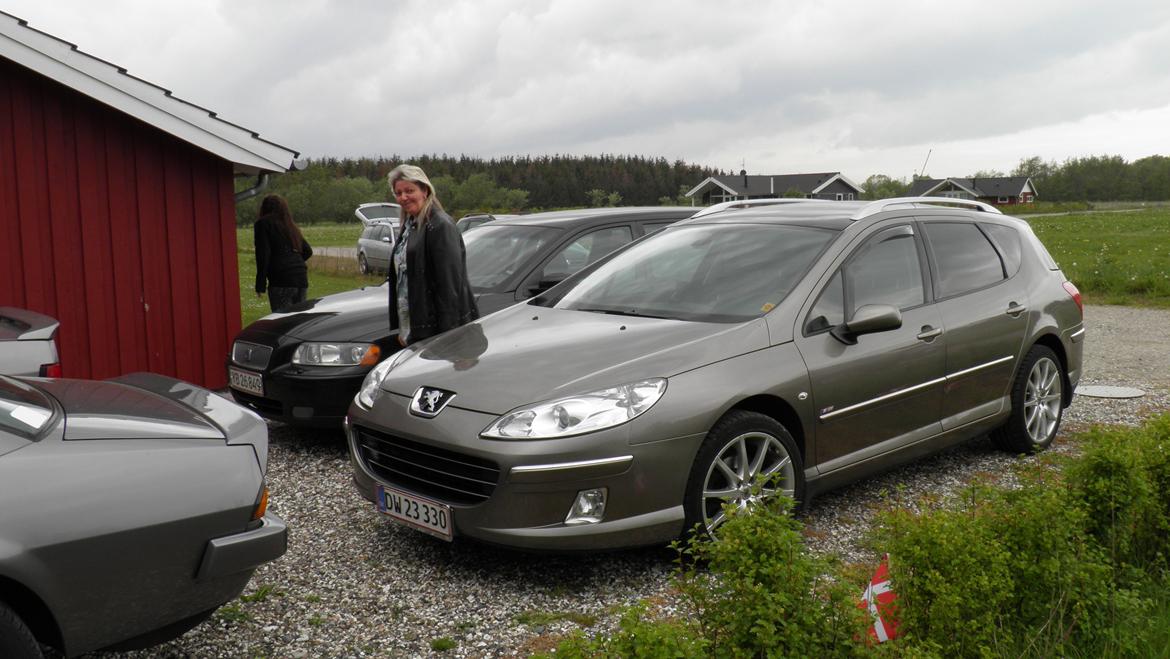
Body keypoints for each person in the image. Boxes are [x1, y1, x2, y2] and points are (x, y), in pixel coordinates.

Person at [387, 164, 479, 346]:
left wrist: (452, 336)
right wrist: (404, 327)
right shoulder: (410, 225)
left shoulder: (439, 225)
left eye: (409, 190)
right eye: (398, 193)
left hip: (437, 331)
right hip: (415, 326)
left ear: (425, 191)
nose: (403, 197)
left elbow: (450, 284)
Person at [254, 194, 313, 312]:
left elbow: (263, 255)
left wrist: (260, 285)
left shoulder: (263, 224)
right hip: (300, 277)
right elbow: (307, 251)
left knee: (282, 321)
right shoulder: (290, 225)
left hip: (281, 280)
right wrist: (293, 262)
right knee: (298, 320)